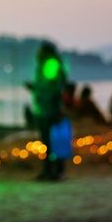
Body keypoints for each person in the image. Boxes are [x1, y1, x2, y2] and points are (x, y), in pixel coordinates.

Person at [25, 41, 67, 181]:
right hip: (43, 110)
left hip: (50, 110)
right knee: (48, 143)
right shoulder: (44, 66)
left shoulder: (51, 65)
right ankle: (49, 170)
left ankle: (55, 172)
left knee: (52, 142)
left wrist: (35, 88)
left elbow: (53, 88)